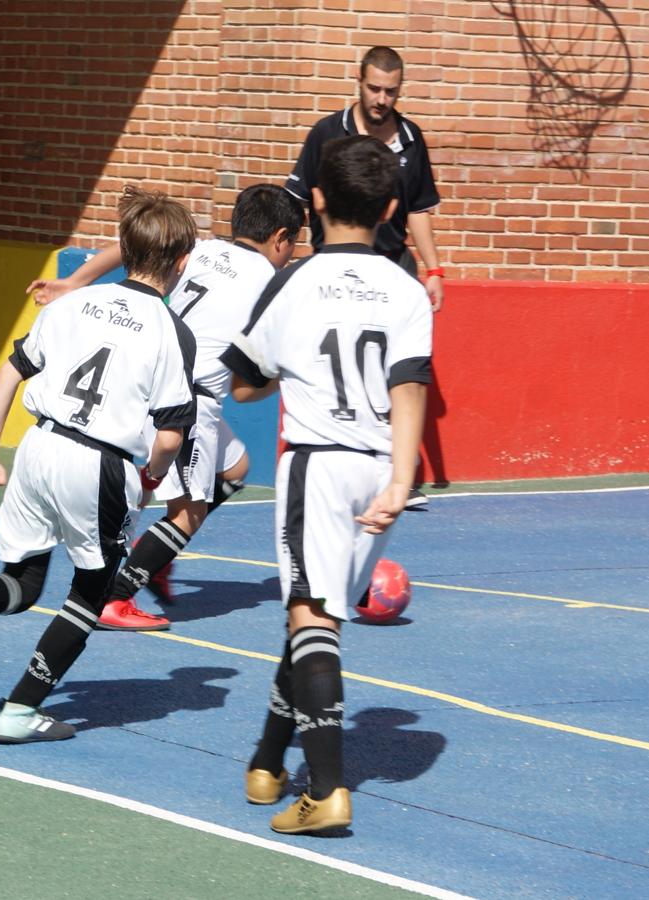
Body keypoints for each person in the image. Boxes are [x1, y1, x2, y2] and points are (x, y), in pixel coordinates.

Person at [0, 186, 197, 744]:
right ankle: (21, 710)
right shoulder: (173, 331)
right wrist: (148, 479)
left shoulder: (72, 302)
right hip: (99, 463)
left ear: (124, 248)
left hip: (38, 446)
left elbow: (11, 370)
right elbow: (171, 436)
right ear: (179, 264)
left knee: (23, 582)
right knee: (92, 592)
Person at [221, 135, 433, 834]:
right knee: (318, 619)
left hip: (316, 460)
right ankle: (265, 762)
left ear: (313, 200)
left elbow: (244, 383)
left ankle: (328, 792)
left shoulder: (293, 281)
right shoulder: (406, 289)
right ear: (391, 207)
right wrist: (401, 479)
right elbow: (410, 386)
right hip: (379, 469)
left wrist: (286, 367)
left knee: (308, 619)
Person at [27, 184, 305, 631]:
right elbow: (245, 385)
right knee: (187, 513)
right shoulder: (272, 285)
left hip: (147, 382)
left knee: (235, 469)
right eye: (292, 246)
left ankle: (157, 552)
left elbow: (128, 243)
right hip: (189, 399)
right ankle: (115, 598)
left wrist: (73, 281)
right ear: (280, 238)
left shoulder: (198, 247)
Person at [286, 45, 441, 509]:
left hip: (393, 267)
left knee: (398, 370)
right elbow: (298, 200)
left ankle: (398, 476)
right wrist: (293, 260)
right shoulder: (327, 133)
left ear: (400, 91)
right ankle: (330, 463)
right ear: (359, 81)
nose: (381, 99)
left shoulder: (411, 140)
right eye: (374, 88)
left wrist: (433, 268)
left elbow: (417, 211)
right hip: (334, 265)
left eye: (390, 91)